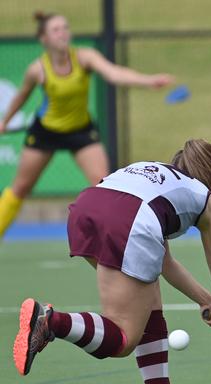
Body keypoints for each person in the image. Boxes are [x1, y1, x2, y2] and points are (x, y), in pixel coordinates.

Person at [12, 139, 211, 384]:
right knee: (124, 338)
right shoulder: (204, 199)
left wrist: (205, 300)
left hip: (85, 209)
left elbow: (160, 261)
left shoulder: (154, 175)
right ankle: (53, 322)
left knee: (149, 295)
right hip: (128, 221)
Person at [0, 11, 174, 240]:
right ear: (44, 39)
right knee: (20, 188)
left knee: (104, 186)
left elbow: (114, 74)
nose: (63, 33)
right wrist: (4, 121)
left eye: (65, 28)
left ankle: (112, 239)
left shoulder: (84, 57)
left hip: (80, 130)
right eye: (56, 29)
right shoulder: (37, 70)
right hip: (46, 132)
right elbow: (21, 96)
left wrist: (148, 81)